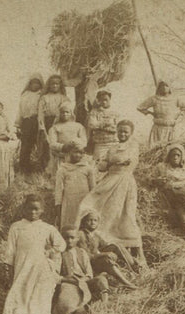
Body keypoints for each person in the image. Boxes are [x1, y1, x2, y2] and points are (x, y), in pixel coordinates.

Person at [78, 120, 147, 267]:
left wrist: (112, 162)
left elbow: (128, 161)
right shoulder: (112, 148)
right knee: (93, 205)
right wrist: (107, 163)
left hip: (124, 183)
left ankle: (137, 255)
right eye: (120, 131)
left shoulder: (133, 146)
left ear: (130, 133)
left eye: (125, 132)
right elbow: (102, 166)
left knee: (125, 215)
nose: (122, 134)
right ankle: (102, 244)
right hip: (109, 181)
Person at [3, 194, 66, 314]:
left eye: (36, 209)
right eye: (30, 208)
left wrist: (50, 251)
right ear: (24, 209)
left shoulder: (47, 228)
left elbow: (61, 245)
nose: (32, 212)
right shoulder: (16, 227)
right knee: (24, 306)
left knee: (42, 305)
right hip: (23, 271)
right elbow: (10, 253)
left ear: (42, 210)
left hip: (42, 273)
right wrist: (10, 275)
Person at [52, 225, 109, 314]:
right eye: (66, 238)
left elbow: (89, 273)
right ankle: (77, 311)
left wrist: (85, 279)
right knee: (75, 307)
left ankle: (105, 306)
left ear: (77, 239)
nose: (69, 241)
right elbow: (55, 274)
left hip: (83, 280)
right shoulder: (59, 254)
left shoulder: (82, 252)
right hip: (69, 282)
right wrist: (66, 279)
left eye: (72, 238)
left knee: (101, 279)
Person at [78, 209, 138, 289]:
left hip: (96, 258)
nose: (93, 223)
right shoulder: (81, 234)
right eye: (90, 220)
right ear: (84, 222)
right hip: (90, 264)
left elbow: (105, 246)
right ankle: (126, 283)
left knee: (116, 246)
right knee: (106, 260)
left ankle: (135, 268)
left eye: (95, 220)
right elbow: (86, 256)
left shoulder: (95, 235)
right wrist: (105, 254)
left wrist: (113, 249)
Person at [138, 80, 185, 148]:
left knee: (171, 149)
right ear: (159, 88)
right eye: (162, 86)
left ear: (169, 88)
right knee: (156, 150)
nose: (164, 88)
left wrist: (178, 116)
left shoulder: (175, 99)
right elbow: (140, 107)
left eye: (166, 85)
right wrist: (150, 113)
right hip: (158, 129)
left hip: (171, 128)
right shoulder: (154, 98)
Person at [54, 144, 95, 228]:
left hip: (84, 202)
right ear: (69, 153)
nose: (78, 155)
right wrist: (58, 209)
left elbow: (93, 189)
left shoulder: (88, 169)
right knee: (69, 227)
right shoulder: (63, 169)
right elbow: (58, 190)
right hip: (69, 203)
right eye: (75, 152)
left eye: (81, 153)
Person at [38, 75, 71, 168]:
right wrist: (42, 127)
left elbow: (67, 111)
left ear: (60, 85)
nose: (55, 86)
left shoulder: (64, 98)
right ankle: (46, 168)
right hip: (48, 122)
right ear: (49, 85)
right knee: (47, 144)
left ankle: (59, 167)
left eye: (57, 84)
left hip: (60, 123)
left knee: (59, 143)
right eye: (53, 84)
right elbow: (40, 114)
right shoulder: (44, 98)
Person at [47, 102, 87, 177]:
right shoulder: (55, 128)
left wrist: (76, 144)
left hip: (76, 157)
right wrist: (63, 146)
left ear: (71, 113)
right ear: (59, 114)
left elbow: (84, 141)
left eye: (67, 112)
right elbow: (52, 144)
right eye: (62, 112)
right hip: (61, 157)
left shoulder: (78, 126)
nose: (65, 114)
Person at [15, 73, 44, 173]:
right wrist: (18, 125)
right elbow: (20, 111)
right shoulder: (25, 95)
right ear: (29, 84)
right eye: (33, 83)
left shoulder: (42, 94)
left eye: (37, 83)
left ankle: (40, 168)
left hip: (38, 121)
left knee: (40, 143)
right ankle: (24, 168)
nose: (35, 85)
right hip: (27, 122)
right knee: (25, 145)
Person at [87, 89, 119, 162]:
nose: (104, 102)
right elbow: (92, 125)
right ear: (98, 100)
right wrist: (106, 124)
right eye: (101, 100)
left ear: (110, 99)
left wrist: (100, 126)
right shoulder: (94, 112)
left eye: (106, 100)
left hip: (113, 142)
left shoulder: (115, 112)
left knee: (112, 163)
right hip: (100, 144)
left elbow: (117, 128)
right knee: (98, 165)